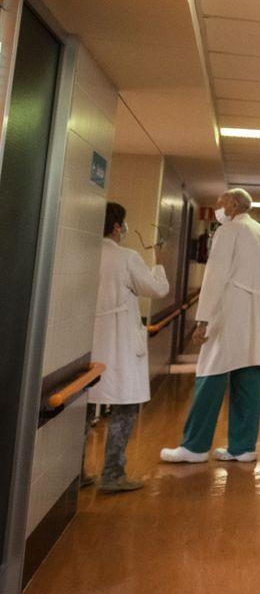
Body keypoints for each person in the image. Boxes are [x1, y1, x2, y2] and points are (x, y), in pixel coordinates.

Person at [161, 188, 260, 464]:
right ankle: (243, 447)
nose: (216, 208)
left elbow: (214, 277)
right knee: (249, 377)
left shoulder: (228, 230)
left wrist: (203, 320)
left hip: (229, 313)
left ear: (234, 204)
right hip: (254, 315)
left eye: (220, 203)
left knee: (210, 375)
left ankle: (195, 446)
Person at [86, 203, 170, 493]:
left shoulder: (84, 252)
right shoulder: (126, 257)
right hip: (119, 342)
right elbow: (157, 289)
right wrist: (158, 261)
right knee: (125, 406)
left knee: (82, 406)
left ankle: (75, 473)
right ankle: (112, 473)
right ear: (118, 227)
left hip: (88, 342)